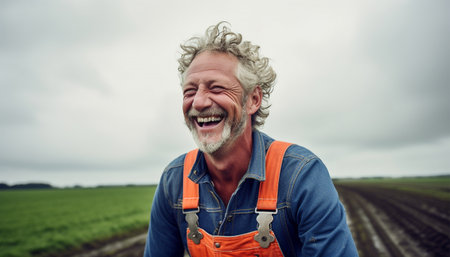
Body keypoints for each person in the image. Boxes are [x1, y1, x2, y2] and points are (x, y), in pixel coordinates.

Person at [144, 22, 358, 257]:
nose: (199, 102)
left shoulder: (301, 175)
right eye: (190, 91)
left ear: (253, 99)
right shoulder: (174, 180)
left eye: (216, 88)